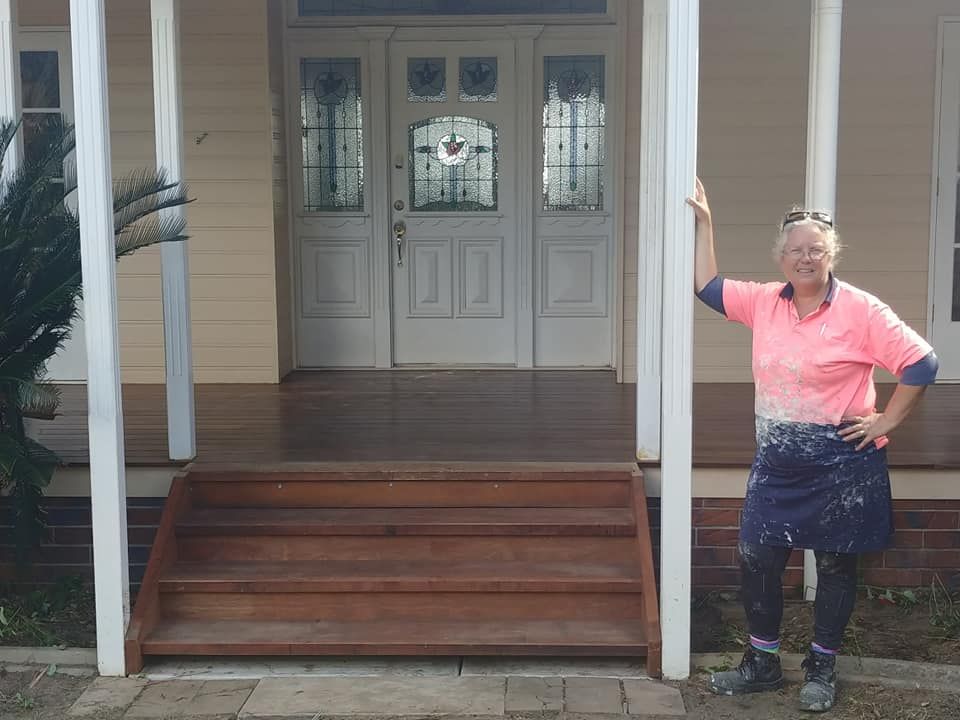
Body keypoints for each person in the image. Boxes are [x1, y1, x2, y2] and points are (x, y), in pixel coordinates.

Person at [686, 179, 938, 713]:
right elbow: (707, 287)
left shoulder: (862, 311)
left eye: (816, 250)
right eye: (796, 250)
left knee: (836, 567)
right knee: (757, 556)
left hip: (843, 462)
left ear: (831, 256)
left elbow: (922, 362)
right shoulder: (763, 303)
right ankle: (762, 664)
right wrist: (706, 224)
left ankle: (821, 668)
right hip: (777, 462)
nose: (806, 258)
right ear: (782, 258)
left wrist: (886, 418)